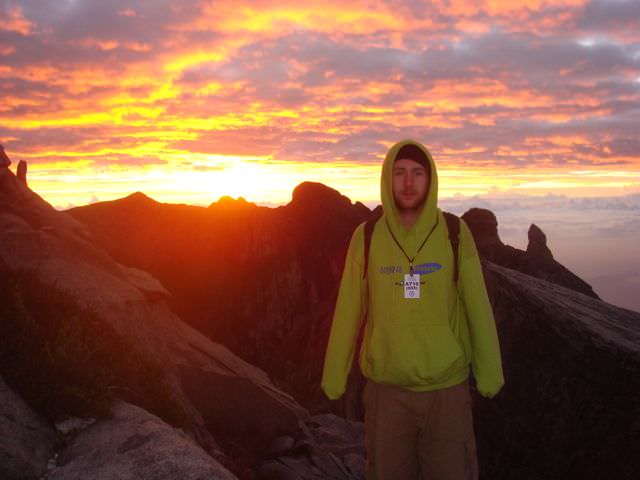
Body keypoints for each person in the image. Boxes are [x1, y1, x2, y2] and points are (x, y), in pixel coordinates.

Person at [321, 139, 504, 480]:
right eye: (400, 173)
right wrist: (334, 376)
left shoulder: (454, 233)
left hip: (446, 393)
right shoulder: (367, 236)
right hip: (386, 394)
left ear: (430, 179)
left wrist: (490, 371)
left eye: (418, 173)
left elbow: (477, 305)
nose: (408, 183)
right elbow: (349, 310)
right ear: (387, 179)